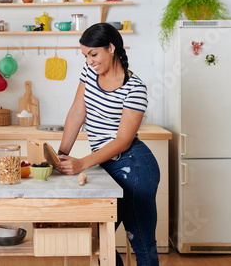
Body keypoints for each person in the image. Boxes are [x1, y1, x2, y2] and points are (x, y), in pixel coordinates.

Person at [56, 23, 160, 266]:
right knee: (99, 241)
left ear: (111, 47)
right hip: (105, 165)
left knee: (142, 245)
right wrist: (61, 154)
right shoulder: (89, 72)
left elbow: (123, 141)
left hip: (134, 168)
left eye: (93, 54)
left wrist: (82, 163)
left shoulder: (135, 89)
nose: (89, 61)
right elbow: (77, 113)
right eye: (85, 55)